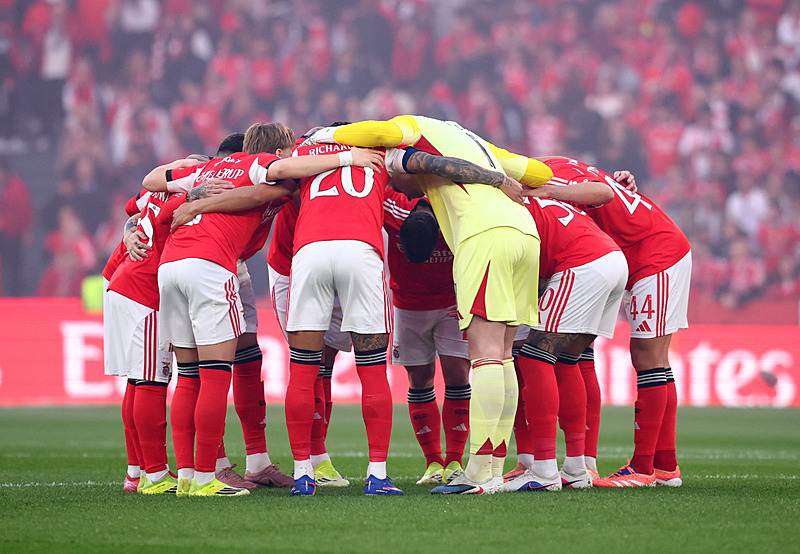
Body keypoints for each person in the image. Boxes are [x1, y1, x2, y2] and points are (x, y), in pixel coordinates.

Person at [312, 115, 553, 494]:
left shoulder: (414, 126)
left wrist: (325, 134)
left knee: (486, 355)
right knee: (504, 355)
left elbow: (376, 132)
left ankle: (476, 472)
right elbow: (537, 171)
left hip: (484, 234)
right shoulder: (476, 144)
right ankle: (491, 469)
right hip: (524, 234)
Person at [150, 122, 384, 497]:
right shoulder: (262, 164)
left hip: (172, 265)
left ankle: (190, 476)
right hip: (210, 264)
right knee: (213, 375)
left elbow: (151, 181)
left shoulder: (207, 169)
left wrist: (192, 193)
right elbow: (275, 177)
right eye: (290, 152)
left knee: (191, 375)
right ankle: (210, 477)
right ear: (278, 153)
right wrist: (349, 156)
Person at [535, 157, 691, 488]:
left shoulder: (548, 180)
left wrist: (545, 190)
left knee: (648, 356)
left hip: (653, 254)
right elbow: (607, 190)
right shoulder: (561, 165)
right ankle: (663, 465)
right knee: (639, 357)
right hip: (635, 254)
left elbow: (603, 193)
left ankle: (643, 468)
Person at [502, 189, 628, 492]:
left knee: (533, 356)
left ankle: (544, 471)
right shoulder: (543, 201)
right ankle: (576, 466)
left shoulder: (503, 210)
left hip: (581, 264)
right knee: (570, 359)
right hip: (613, 261)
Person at [383, 188, 470, 485]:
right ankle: (433, 462)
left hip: (452, 302)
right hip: (407, 303)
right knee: (419, 379)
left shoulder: (458, 212)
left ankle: (455, 460)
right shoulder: (392, 208)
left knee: (458, 374)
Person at [266, 198, 351, 487]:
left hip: (336, 265)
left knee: (326, 362)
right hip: (290, 267)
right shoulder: (298, 167)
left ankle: (318, 459)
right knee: (306, 361)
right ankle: (312, 459)